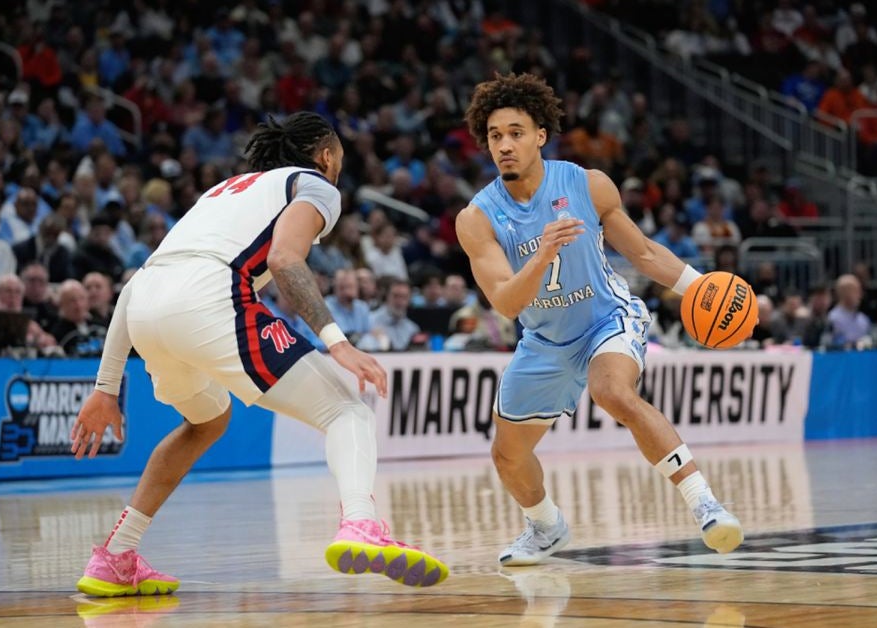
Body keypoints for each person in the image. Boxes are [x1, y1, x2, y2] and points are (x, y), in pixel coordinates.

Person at [69, 112, 448, 598]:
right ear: (327, 156)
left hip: (144, 306)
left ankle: (116, 555)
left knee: (206, 422)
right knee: (346, 410)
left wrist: (106, 389)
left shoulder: (223, 191)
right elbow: (285, 259)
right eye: (340, 160)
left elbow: (139, 282)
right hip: (209, 299)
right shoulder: (314, 184)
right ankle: (360, 523)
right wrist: (339, 342)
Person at [455, 73, 742, 566]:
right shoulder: (476, 218)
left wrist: (701, 286)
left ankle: (705, 504)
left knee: (614, 392)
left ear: (540, 135)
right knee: (507, 455)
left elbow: (646, 253)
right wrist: (542, 255)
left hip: (606, 319)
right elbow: (504, 302)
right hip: (544, 341)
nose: (504, 144)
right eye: (495, 135)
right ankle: (546, 527)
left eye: (516, 132)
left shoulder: (587, 184)